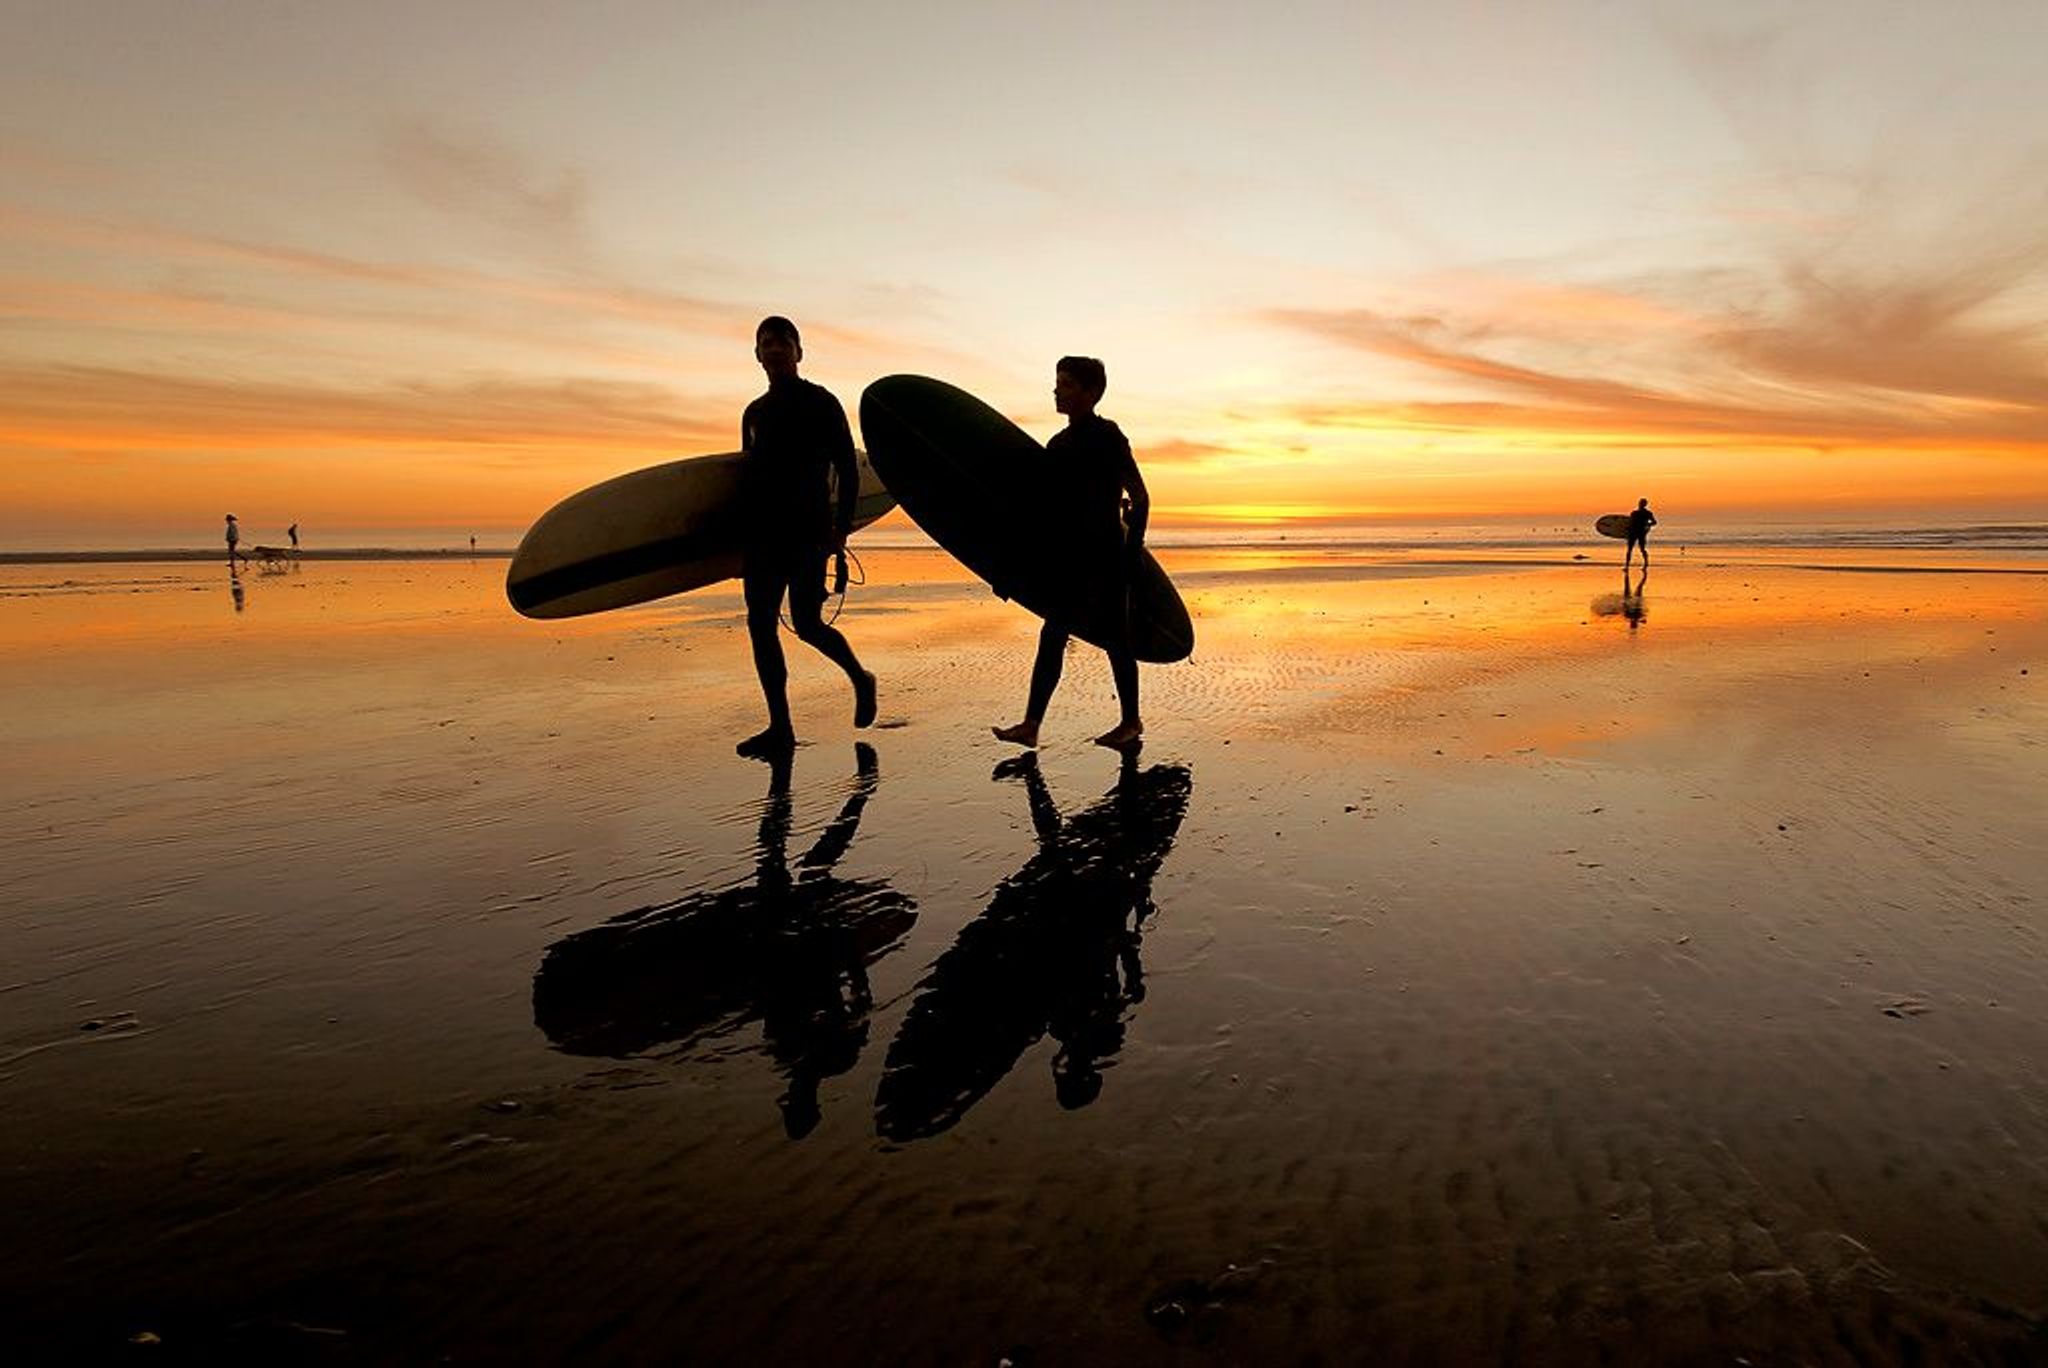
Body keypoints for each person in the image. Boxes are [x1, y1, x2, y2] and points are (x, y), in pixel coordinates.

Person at [734, 315, 876, 758]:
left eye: (783, 342)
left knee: (808, 625)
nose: (775, 349)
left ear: (799, 351)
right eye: (767, 343)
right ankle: (781, 728)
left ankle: (860, 676)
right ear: (757, 354)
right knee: (760, 625)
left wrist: (842, 529)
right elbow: (748, 476)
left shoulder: (820, 402)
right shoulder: (753, 413)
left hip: (808, 529)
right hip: (761, 534)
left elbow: (848, 468)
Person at [992, 356, 1148, 751]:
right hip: (1068, 555)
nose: (1056, 390)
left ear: (1091, 392)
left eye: (1066, 384)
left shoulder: (1108, 436)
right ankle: (1031, 724)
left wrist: (1131, 555)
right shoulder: (1057, 446)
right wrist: (1010, 570)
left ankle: (1131, 721)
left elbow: (1140, 496)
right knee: (1053, 634)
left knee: (1115, 638)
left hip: (1107, 554)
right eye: (1056, 383)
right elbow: (1040, 513)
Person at [1625, 497, 1657, 571]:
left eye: (1642, 503)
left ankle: (1646, 563)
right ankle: (1627, 566)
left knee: (1642, 549)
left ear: (1644, 504)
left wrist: (1648, 525)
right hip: (1633, 532)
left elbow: (1654, 522)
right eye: (1640, 503)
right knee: (1629, 549)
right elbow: (1630, 523)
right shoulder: (1634, 513)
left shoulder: (1648, 513)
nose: (1640, 504)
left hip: (1641, 533)